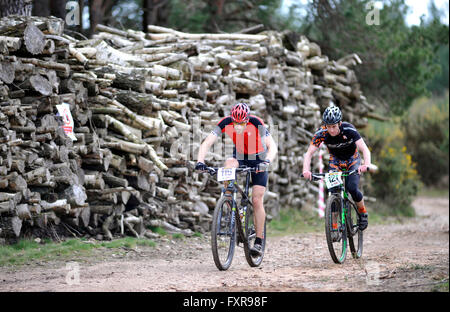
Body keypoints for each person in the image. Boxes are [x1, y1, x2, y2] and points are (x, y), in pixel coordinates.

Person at [195, 102, 277, 256]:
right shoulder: (225, 122)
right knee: (228, 164)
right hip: (239, 156)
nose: (238, 127)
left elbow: (272, 146)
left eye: (242, 123)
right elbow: (207, 143)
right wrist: (200, 161)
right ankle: (228, 198)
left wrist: (266, 162)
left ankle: (258, 241)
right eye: (235, 123)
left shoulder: (256, 122)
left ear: (247, 120)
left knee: (257, 200)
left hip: (258, 159)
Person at [302, 105, 371, 231]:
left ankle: (362, 212)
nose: (331, 130)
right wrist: (306, 170)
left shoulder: (349, 129)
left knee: (352, 188)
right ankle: (333, 227)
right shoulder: (322, 133)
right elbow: (309, 153)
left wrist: (366, 164)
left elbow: (364, 149)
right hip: (335, 161)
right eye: (328, 126)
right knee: (333, 191)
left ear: (339, 123)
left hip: (352, 159)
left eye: (334, 126)